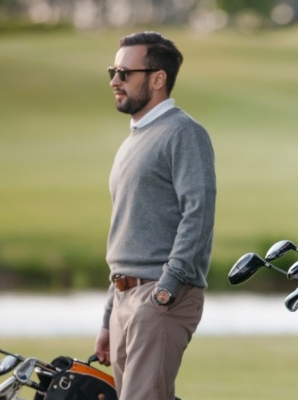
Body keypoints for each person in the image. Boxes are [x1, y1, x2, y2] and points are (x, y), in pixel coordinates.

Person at [93, 31, 216, 400]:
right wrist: (108, 317)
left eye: (124, 72)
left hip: (159, 298)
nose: (115, 80)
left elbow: (199, 212)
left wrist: (167, 288)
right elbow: (126, 234)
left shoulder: (184, 133)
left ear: (157, 78)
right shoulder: (133, 140)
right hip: (125, 300)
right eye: (112, 71)